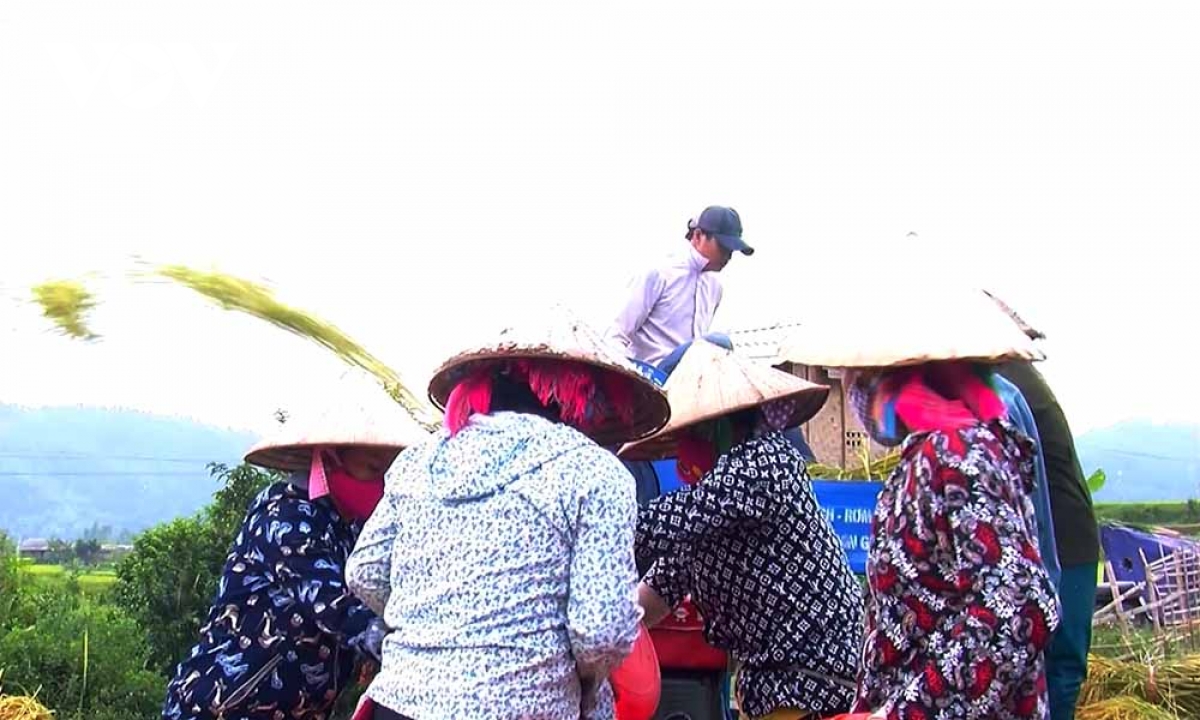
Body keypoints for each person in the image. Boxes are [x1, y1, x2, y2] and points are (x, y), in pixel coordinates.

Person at [345, 309, 671, 720]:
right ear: (586, 395)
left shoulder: (417, 461)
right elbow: (601, 632)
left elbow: (365, 572)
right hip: (523, 706)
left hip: (401, 703)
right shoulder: (595, 470)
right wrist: (584, 679)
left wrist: (439, 624)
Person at [620, 338, 865, 720]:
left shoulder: (766, 464)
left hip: (813, 683)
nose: (686, 447)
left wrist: (587, 530)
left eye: (697, 432)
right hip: (767, 689)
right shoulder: (710, 510)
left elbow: (656, 525)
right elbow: (658, 590)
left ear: (721, 425)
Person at [161, 378, 430, 720]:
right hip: (225, 706)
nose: (381, 485)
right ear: (329, 458)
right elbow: (335, 606)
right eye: (373, 469)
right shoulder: (284, 516)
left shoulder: (352, 526)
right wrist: (413, 649)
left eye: (389, 473)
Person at [998, 360, 1098, 720]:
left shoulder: (1003, 387)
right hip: (1052, 541)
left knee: (1059, 668)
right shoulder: (1009, 378)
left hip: (1064, 540)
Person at [606, 205, 753, 367]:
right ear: (698, 236)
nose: (728, 256)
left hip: (687, 375)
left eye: (732, 250)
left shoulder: (715, 288)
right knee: (720, 342)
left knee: (722, 356)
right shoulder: (660, 272)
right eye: (723, 247)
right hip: (651, 372)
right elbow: (618, 333)